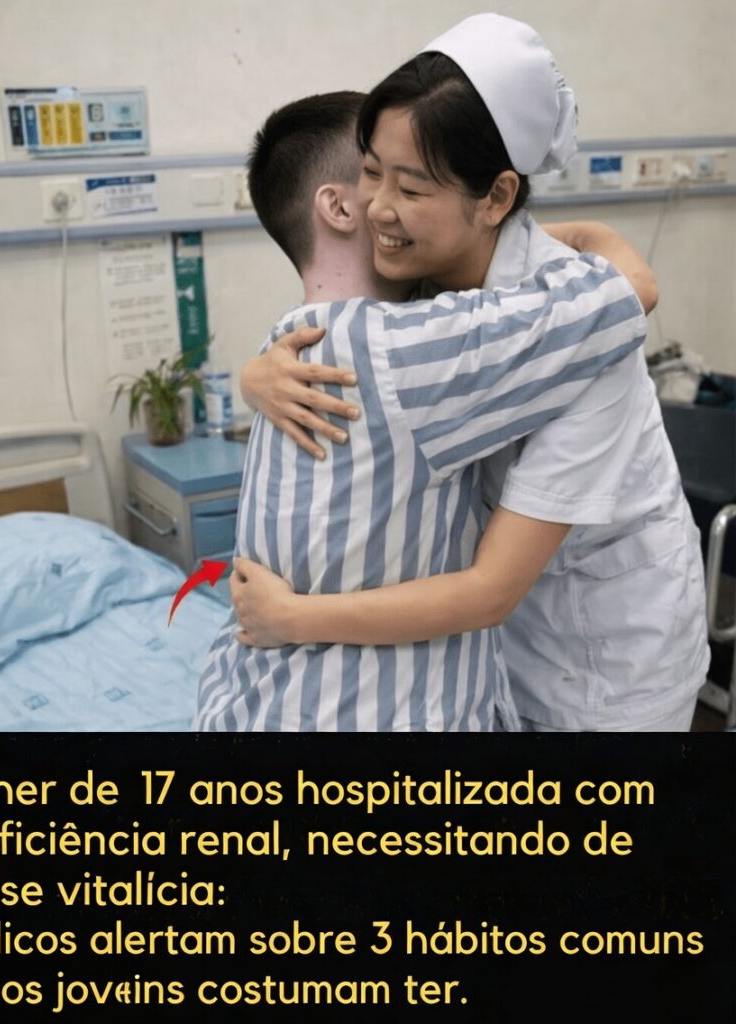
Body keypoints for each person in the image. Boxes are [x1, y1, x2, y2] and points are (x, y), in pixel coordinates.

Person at [230, 14, 709, 732]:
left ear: (495, 198)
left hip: (607, 659)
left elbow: (491, 591)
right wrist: (257, 373)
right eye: (370, 172)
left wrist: (291, 617)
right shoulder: (422, 280)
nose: (378, 208)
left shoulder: (581, 338)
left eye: (412, 188)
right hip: (490, 650)